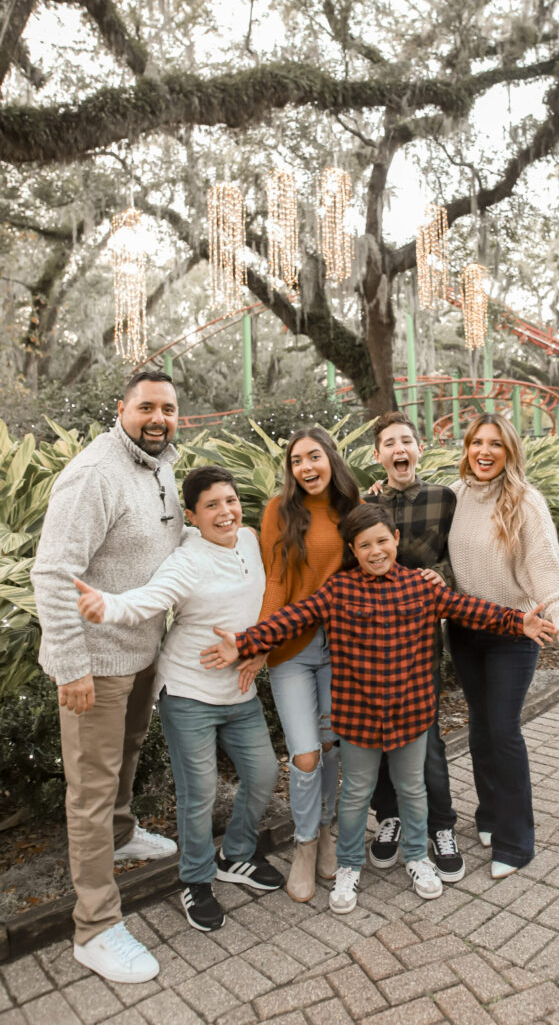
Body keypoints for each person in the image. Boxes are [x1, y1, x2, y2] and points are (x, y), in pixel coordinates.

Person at [200, 502, 556, 916]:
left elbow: (468, 609)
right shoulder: (338, 591)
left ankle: (417, 857)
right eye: (364, 545)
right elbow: (293, 619)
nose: (375, 551)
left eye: (382, 541)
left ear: (396, 540)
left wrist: (517, 622)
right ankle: (350, 864)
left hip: (411, 713)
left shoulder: (422, 587)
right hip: (357, 717)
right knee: (354, 795)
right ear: (353, 549)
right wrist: (245, 642)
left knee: (412, 790)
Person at [74, 466, 284, 933]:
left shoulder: (249, 539)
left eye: (230, 500)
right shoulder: (187, 558)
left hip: (239, 691)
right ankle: (195, 879)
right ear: (191, 515)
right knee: (199, 794)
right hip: (188, 692)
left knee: (264, 772)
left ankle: (236, 854)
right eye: (211, 505)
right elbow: (150, 597)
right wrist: (106, 606)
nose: (225, 512)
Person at [31, 371, 182, 984]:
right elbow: (52, 573)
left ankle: (122, 835)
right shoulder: (96, 474)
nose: (157, 417)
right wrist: (72, 667)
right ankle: (94, 927)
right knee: (90, 791)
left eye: (168, 408)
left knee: (128, 752)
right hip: (94, 661)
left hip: (140, 648)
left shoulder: (159, 463)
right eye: (145, 406)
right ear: (121, 408)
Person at [447, 413, 559, 880]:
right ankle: (488, 815)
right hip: (465, 631)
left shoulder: (526, 501)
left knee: (503, 731)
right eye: (477, 443)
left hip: (516, 632)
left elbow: (545, 566)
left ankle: (516, 840)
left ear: (510, 452)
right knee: (481, 727)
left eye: (496, 445)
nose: (484, 452)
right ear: (466, 449)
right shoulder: (456, 496)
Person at [241, 427, 360, 902]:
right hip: (292, 648)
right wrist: (261, 641)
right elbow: (275, 579)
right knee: (305, 754)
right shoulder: (279, 510)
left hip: (344, 649)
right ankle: (304, 844)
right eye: (296, 461)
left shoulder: (350, 509)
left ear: (331, 458)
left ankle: (326, 832)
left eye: (314, 456)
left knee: (331, 747)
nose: (306, 468)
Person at [365, 411, 464, 882]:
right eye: (389, 443)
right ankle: (391, 818)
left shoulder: (444, 500)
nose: (398, 449)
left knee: (425, 735)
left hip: (422, 635)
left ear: (419, 448)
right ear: (378, 455)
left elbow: (455, 557)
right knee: (378, 733)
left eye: (406, 440)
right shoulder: (367, 505)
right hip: (372, 640)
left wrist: (438, 577)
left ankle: (442, 826)